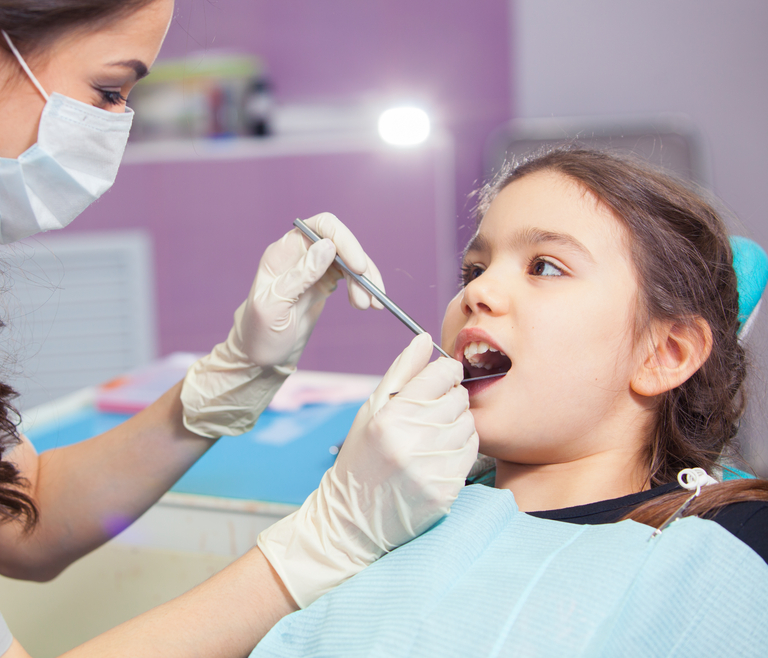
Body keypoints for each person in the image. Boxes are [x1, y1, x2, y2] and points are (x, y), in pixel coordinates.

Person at [0, 0, 479, 657]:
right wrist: (323, 544)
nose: (114, 130)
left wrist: (235, 374)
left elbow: (27, 516)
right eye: (108, 91)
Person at [250, 146, 768, 656]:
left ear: (664, 353)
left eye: (544, 267)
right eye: (474, 270)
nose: (478, 292)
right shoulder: (380, 513)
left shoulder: (736, 543)